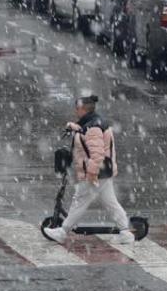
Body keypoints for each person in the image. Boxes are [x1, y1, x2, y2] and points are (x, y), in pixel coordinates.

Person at [43, 95, 134, 245]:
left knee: (80, 200)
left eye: (77, 108)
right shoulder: (94, 123)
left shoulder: (93, 128)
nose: (75, 111)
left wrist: (91, 174)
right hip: (103, 172)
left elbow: (97, 155)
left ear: (83, 109)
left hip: (95, 173)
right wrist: (74, 127)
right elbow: (86, 134)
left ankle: (62, 231)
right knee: (110, 203)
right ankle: (125, 232)